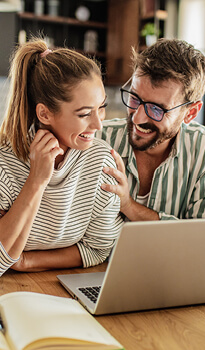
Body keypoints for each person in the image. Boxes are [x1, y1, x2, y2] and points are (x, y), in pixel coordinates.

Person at [0, 38, 123, 277]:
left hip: (66, 288)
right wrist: (36, 181)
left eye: (101, 107)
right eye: (85, 113)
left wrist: (26, 261)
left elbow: (98, 249)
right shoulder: (4, 163)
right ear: (44, 113)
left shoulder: (100, 163)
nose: (98, 123)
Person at [97, 38, 205, 221]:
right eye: (134, 98)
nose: (137, 118)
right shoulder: (97, 137)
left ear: (190, 113)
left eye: (156, 109)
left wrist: (129, 206)